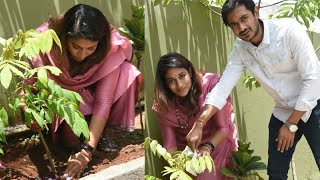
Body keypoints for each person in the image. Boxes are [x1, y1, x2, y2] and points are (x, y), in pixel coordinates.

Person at [186, 0, 320, 179]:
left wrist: (291, 124)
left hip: (314, 106)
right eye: (234, 24)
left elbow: (313, 80)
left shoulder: (288, 31)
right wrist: (199, 123)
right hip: (283, 111)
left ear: (255, 12)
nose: (242, 27)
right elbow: (222, 88)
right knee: (276, 174)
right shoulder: (241, 49)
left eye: (244, 18)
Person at [26, 4, 142, 179]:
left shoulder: (111, 47)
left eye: (90, 49)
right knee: (67, 142)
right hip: (56, 99)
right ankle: (58, 131)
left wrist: (86, 152)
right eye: (76, 46)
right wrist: (28, 112)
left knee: (126, 71)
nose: (82, 55)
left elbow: (104, 101)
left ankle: (100, 132)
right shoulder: (44, 42)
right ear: (64, 37)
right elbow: (26, 87)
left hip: (90, 98)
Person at [153, 52, 237, 179]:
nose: (179, 85)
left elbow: (223, 129)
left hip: (216, 143)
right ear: (165, 84)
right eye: (171, 81)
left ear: (190, 72)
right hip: (188, 152)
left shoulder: (211, 86)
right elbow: (170, 144)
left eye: (182, 76)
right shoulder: (164, 105)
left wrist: (208, 146)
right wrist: (177, 169)